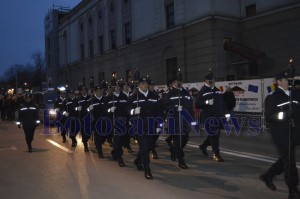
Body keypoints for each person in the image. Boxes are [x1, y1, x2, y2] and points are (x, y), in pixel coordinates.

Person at [260, 71, 300, 199]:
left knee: (286, 159)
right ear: (278, 82)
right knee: (290, 162)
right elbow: (269, 116)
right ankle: (293, 190)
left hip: (294, 132)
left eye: (288, 79)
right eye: (285, 80)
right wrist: (284, 115)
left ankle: (268, 175)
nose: (288, 81)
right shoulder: (273, 97)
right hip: (281, 134)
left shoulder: (295, 94)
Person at [128, 76, 162, 179]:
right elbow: (128, 110)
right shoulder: (134, 97)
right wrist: (134, 111)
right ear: (139, 85)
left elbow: (159, 111)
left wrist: (159, 124)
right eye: (142, 84)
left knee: (149, 146)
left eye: (146, 83)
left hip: (152, 125)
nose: (145, 85)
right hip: (140, 125)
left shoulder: (154, 96)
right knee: (144, 146)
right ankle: (147, 169)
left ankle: (138, 160)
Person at [195, 70, 229, 162]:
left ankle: (203, 146)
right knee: (214, 135)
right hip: (208, 117)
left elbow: (222, 103)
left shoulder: (217, 91)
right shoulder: (203, 91)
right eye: (210, 80)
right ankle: (216, 154)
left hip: (218, 116)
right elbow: (197, 103)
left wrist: (227, 113)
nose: (212, 82)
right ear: (206, 81)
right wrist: (206, 102)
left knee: (215, 135)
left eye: (213, 80)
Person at [164, 77, 193, 169]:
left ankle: (173, 150)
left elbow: (190, 106)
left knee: (185, 139)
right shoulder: (169, 93)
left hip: (185, 120)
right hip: (175, 120)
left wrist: (192, 119)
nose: (179, 83)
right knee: (177, 141)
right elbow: (165, 106)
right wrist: (175, 107)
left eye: (180, 81)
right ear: (174, 82)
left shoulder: (186, 92)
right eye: (177, 81)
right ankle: (181, 161)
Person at [106, 82, 128, 167]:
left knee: (122, 139)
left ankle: (114, 151)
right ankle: (120, 158)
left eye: (119, 87)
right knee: (117, 139)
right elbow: (105, 109)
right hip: (113, 121)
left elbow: (127, 108)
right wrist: (110, 110)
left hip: (123, 121)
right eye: (115, 87)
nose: (117, 88)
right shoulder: (109, 97)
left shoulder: (124, 97)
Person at [89, 86, 107, 158]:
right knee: (98, 136)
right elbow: (88, 110)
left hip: (105, 120)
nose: (100, 92)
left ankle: (98, 143)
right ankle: (100, 152)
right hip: (96, 121)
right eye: (98, 91)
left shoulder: (105, 99)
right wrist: (89, 108)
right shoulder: (92, 100)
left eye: (100, 91)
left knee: (104, 136)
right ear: (95, 92)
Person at [77, 86, 92, 152]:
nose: (84, 91)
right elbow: (75, 107)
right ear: (81, 91)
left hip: (90, 117)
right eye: (82, 90)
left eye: (85, 90)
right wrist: (77, 108)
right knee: (83, 131)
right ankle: (85, 145)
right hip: (82, 117)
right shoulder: (79, 98)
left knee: (89, 131)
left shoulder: (90, 98)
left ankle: (87, 137)